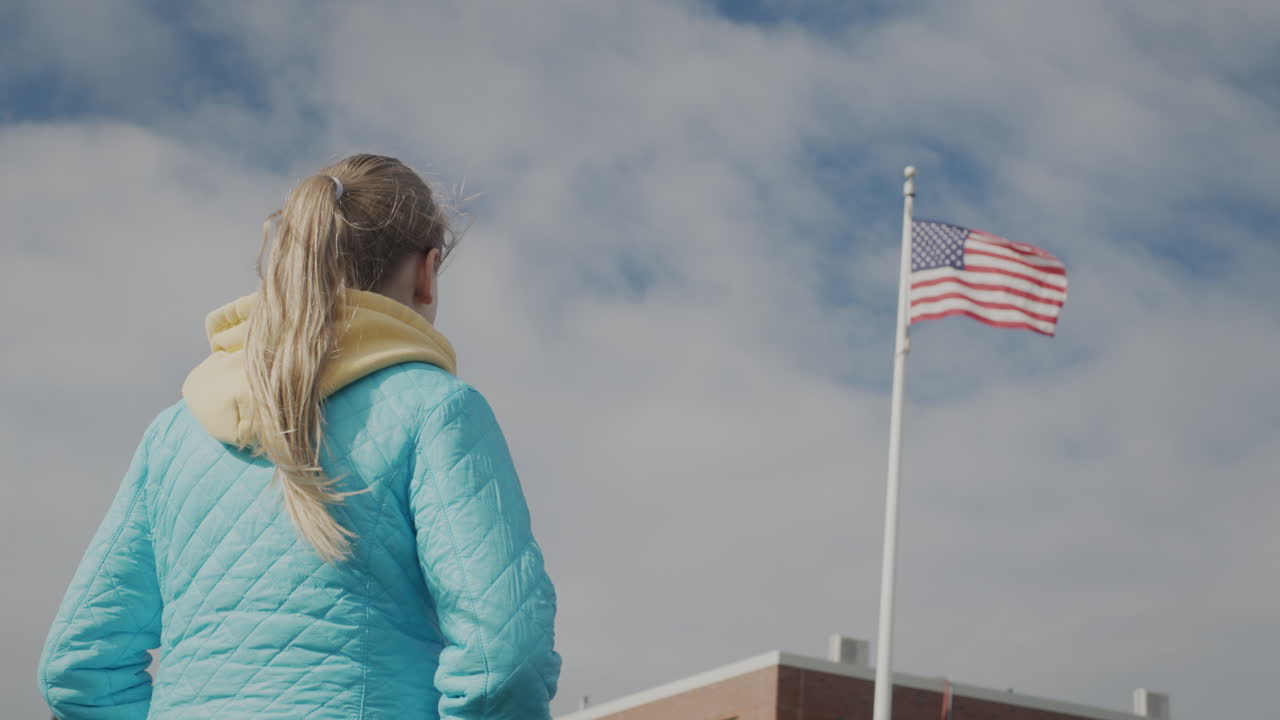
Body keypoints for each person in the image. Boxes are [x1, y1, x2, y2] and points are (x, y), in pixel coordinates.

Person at [37, 154, 562, 719]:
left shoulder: (175, 432)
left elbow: (77, 668)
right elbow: (501, 660)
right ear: (426, 272)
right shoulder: (436, 408)